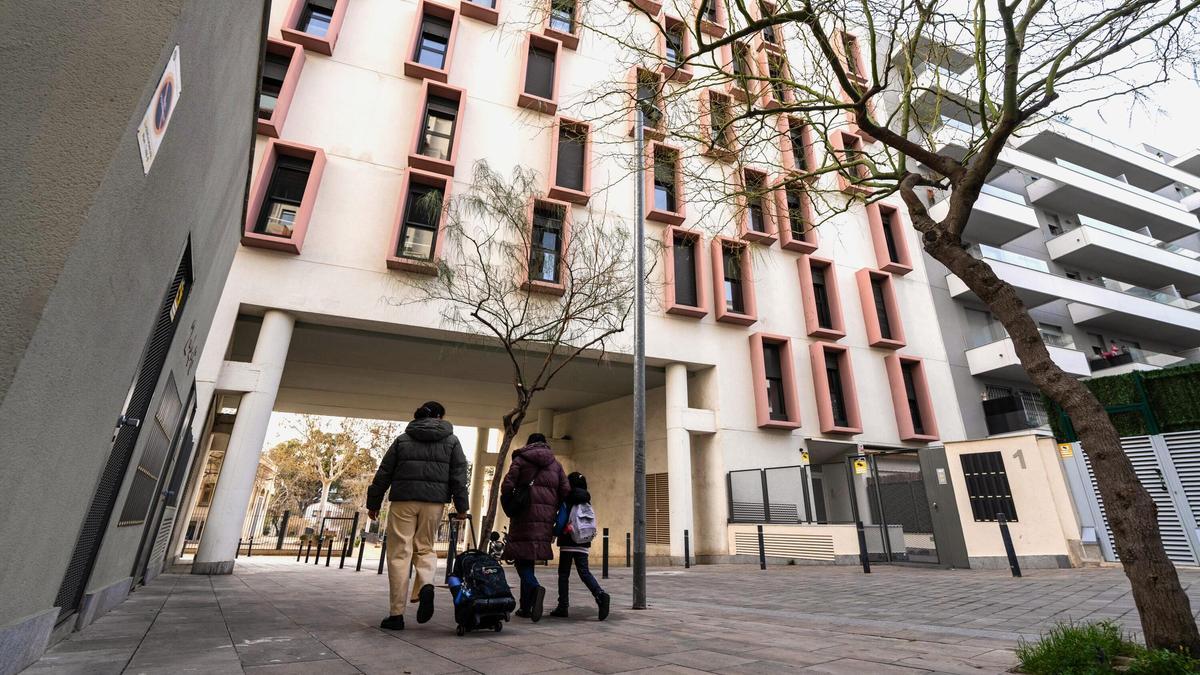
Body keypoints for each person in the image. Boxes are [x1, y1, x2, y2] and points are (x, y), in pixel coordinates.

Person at [366, 401, 469, 631]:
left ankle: (396, 615)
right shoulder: (452, 441)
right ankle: (426, 585)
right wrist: (462, 507)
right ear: (440, 417)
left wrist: (373, 503)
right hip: (434, 503)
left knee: (399, 554)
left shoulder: (403, 440)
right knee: (425, 548)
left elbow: (384, 473)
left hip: (403, 501)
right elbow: (459, 477)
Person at [500, 432, 568, 622]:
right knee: (528, 558)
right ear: (545, 444)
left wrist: (510, 504)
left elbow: (507, 485)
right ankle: (526, 607)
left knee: (522, 559)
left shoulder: (521, 460)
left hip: (523, 515)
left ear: (529, 444)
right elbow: (566, 492)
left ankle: (534, 587)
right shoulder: (556, 465)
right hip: (545, 519)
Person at [549, 472, 610, 621]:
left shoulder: (567, 501)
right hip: (583, 542)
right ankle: (600, 595)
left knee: (564, 574)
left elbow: (561, 522)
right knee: (584, 572)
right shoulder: (586, 501)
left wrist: (554, 532)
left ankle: (563, 606)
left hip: (568, 543)